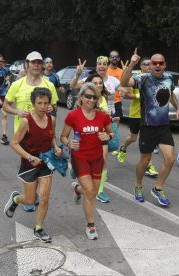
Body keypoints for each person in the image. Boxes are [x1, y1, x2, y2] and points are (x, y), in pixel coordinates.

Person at [121, 49, 179, 207]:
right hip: (148, 126)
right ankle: (138, 185)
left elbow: (171, 94)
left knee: (169, 158)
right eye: (153, 63)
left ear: (164, 65)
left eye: (160, 63)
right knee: (145, 160)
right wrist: (132, 64)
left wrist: (178, 108)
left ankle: (158, 187)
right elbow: (124, 83)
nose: (156, 65)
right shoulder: (143, 78)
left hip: (163, 126)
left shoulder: (169, 78)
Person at [4, 87, 61, 243]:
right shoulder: (26, 121)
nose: (43, 106)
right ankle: (16, 199)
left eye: (45, 103)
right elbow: (14, 143)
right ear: (33, 103)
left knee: (44, 197)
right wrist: (29, 157)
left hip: (45, 164)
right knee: (30, 200)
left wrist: (55, 147)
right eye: (39, 103)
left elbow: (51, 136)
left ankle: (39, 228)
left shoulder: (52, 119)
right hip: (29, 164)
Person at [3, 51, 58, 211]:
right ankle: (29, 198)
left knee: (42, 166)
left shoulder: (49, 84)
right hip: (23, 136)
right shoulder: (17, 84)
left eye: (39, 63)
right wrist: (17, 112)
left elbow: (54, 107)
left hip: (43, 133)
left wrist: (51, 108)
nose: (36, 65)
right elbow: (5, 105)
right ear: (26, 64)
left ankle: (31, 198)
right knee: (30, 163)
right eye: (33, 62)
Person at [60, 82, 113, 240]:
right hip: (80, 158)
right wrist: (69, 142)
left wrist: (107, 136)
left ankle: (77, 189)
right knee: (90, 192)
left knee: (93, 192)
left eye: (94, 97)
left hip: (97, 159)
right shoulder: (73, 116)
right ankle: (91, 225)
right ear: (81, 97)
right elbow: (62, 136)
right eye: (88, 96)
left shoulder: (103, 117)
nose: (91, 100)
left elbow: (111, 134)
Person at [116, 57, 159, 177]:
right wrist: (139, 95)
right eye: (146, 64)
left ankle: (149, 166)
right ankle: (123, 148)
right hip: (136, 114)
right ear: (141, 66)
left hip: (149, 115)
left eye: (151, 64)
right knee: (133, 138)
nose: (149, 66)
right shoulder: (136, 79)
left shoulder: (155, 79)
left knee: (147, 140)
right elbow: (125, 95)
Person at [84, 74, 119, 203]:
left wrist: (111, 119)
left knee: (103, 160)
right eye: (96, 83)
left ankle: (100, 191)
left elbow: (106, 117)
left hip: (102, 134)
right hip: (88, 134)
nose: (99, 85)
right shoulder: (86, 98)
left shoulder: (104, 98)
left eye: (100, 83)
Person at [107, 50, 124, 118]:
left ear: (119, 59)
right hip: (105, 102)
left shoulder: (121, 71)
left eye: (116, 57)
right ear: (109, 58)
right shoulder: (104, 70)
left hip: (117, 102)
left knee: (115, 126)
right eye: (112, 56)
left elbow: (124, 85)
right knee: (104, 126)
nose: (114, 58)